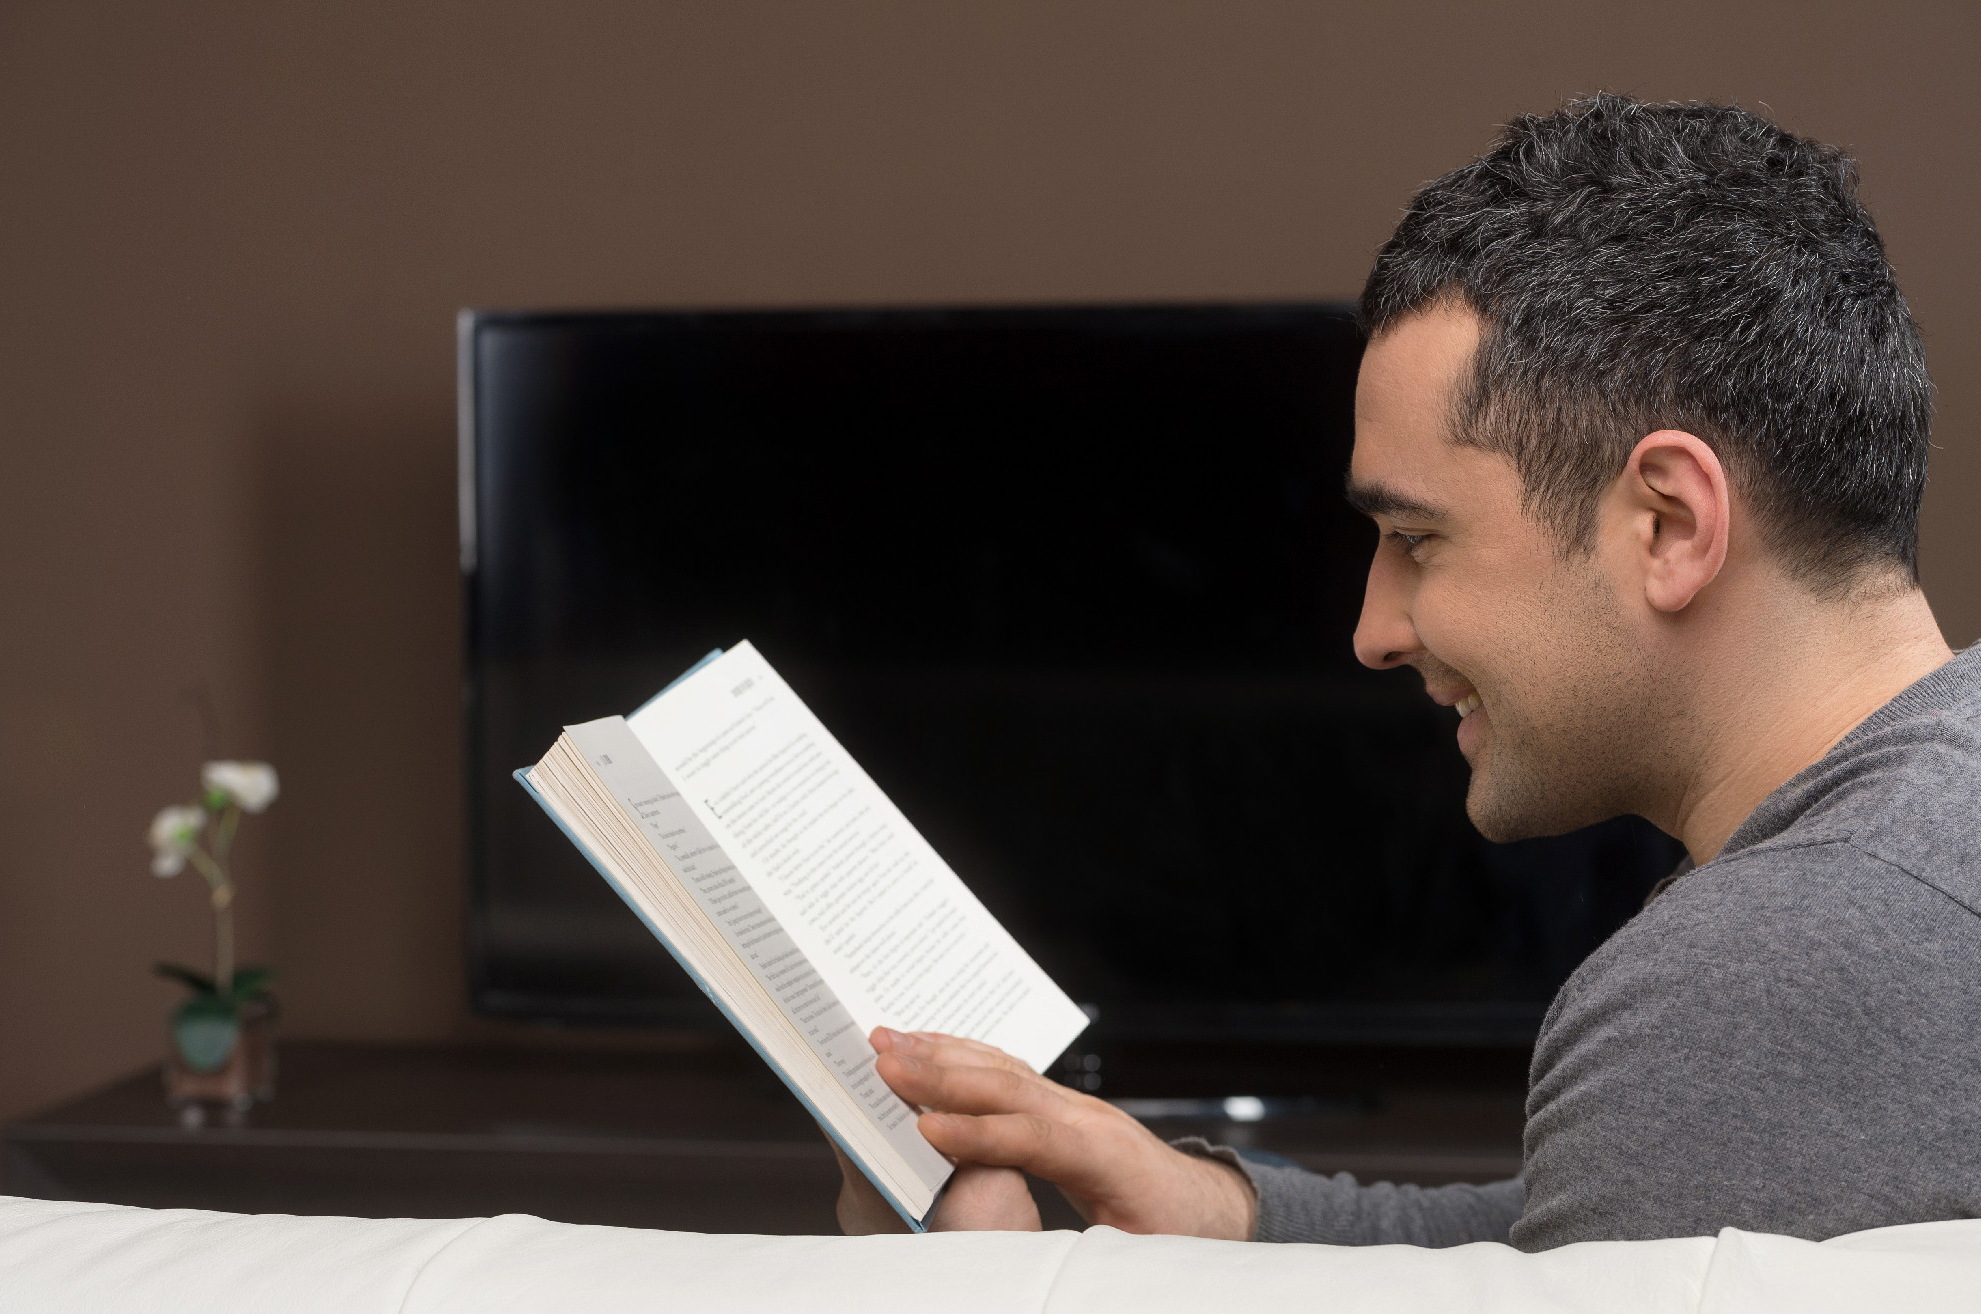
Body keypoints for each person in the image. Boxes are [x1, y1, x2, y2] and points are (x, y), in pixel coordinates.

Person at [833, 93, 1981, 1250]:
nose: (1373, 630)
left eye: (1416, 539)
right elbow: (1588, 1239)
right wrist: (1228, 1211)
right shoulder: (1921, 840)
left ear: (1668, 524)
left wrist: (989, 1298)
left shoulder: (1762, 971)